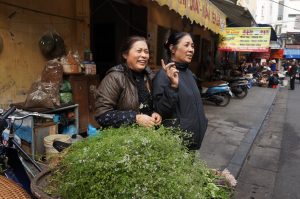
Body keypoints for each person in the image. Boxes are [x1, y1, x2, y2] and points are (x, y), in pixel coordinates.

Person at [152, 32, 208, 150]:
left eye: (192, 46)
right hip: (177, 144)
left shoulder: (189, 74)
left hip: (193, 142)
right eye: (186, 45)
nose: (191, 49)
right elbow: (160, 110)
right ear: (173, 48)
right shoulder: (163, 75)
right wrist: (173, 86)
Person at [94, 36, 162, 128]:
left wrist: (154, 113)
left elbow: (147, 105)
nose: (144, 55)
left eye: (146, 52)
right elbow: (102, 115)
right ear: (125, 55)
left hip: (146, 136)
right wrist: (135, 118)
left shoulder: (149, 76)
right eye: (139, 51)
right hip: (122, 139)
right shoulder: (115, 77)